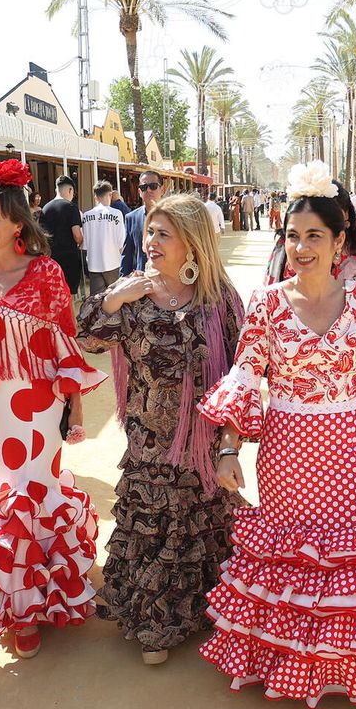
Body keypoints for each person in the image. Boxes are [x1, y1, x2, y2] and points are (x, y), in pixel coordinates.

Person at [197, 161, 356, 709]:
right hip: (287, 455)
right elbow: (246, 376)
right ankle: (289, 665)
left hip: (352, 450)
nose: (301, 247)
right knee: (292, 559)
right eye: (292, 235)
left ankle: (351, 672)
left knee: (350, 560)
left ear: (339, 241)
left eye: (314, 236)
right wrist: (230, 448)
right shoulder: (266, 302)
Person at [0, 160, 108, 657]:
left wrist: (75, 409)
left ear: (19, 223)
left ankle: (26, 609)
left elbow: (66, 347)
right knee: (8, 487)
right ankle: (33, 592)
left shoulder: (45, 273)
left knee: (30, 488)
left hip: (40, 402)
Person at [77, 194, 245, 663]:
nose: (150, 241)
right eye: (149, 231)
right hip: (149, 439)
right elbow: (86, 336)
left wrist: (230, 444)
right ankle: (157, 625)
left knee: (200, 523)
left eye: (162, 233)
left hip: (203, 444)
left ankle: (204, 610)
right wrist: (116, 295)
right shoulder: (133, 296)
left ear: (192, 243)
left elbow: (244, 375)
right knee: (156, 526)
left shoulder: (220, 300)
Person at [40, 175, 86, 301]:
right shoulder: (71, 207)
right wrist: (81, 242)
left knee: (53, 298)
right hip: (68, 258)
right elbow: (77, 235)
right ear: (70, 190)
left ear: (56, 189)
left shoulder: (45, 208)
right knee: (67, 297)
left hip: (50, 259)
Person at [82, 181, 126, 299]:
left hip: (94, 264)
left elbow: (84, 244)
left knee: (96, 301)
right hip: (113, 263)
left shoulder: (86, 215)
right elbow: (121, 243)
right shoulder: (117, 214)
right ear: (110, 195)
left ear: (95, 197)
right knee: (115, 298)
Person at [121, 171, 162, 275]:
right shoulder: (131, 217)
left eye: (153, 186)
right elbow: (127, 253)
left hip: (168, 279)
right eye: (144, 187)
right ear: (139, 192)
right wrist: (123, 278)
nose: (148, 190)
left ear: (161, 189)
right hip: (143, 279)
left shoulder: (173, 216)